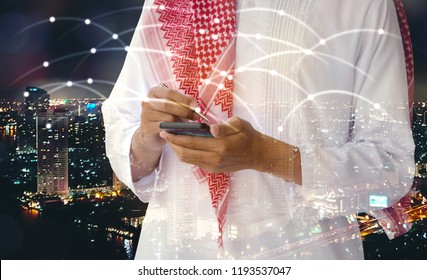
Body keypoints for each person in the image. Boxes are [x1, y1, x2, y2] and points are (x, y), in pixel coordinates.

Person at [102, 0, 415, 259]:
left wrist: (269, 156)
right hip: (173, 254)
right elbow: (125, 138)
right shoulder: (169, 4)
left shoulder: (362, 5)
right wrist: (147, 136)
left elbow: (392, 172)